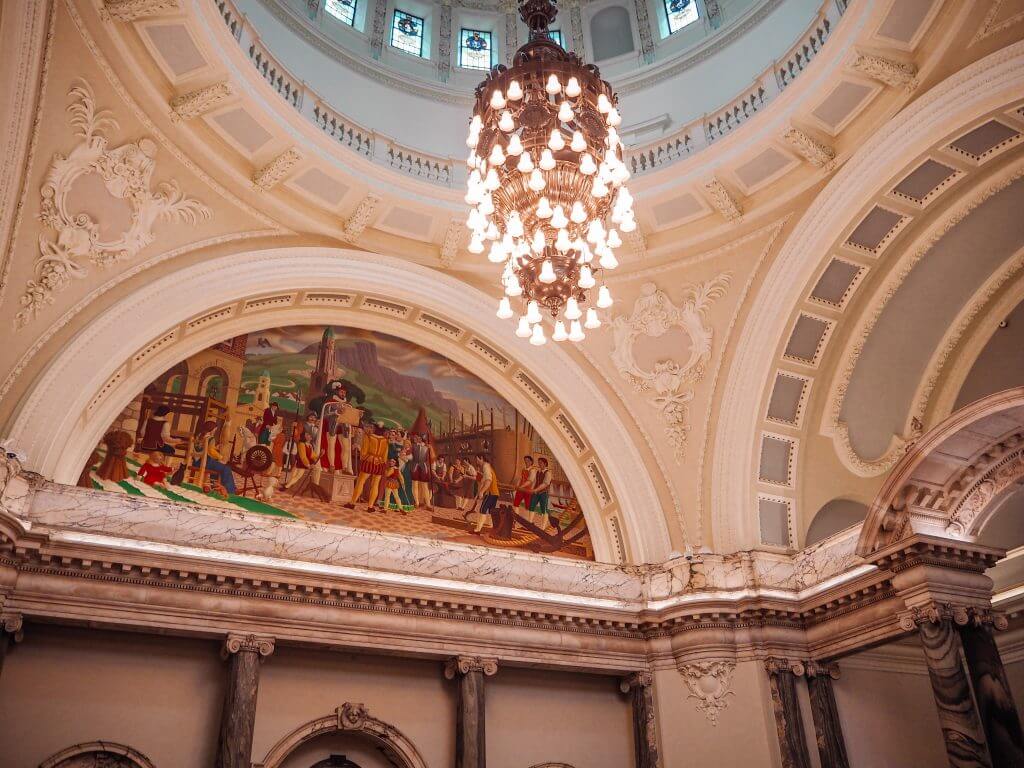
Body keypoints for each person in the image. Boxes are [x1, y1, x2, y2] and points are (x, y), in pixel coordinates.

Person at [345, 423, 388, 508]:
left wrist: (363, 459)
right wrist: (381, 462)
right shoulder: (385, 440)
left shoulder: (368, 437)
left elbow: (364, 451)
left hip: (369, 461)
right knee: (375, 485)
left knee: (360, 482)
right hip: (380, 463)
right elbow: (385, 456)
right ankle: (370, 506)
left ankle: (352, 503)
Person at [193, 421, 237, 495]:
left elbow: (204, 449)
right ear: (211, 429)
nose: (214, 432)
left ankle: (215, 487)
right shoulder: (210, 438)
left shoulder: (198, 436)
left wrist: (214, 448)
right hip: (206, 462)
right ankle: (230, 490)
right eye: (214, 430)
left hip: (196, 462)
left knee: (217, 468)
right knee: (226, 468)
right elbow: (211, 451)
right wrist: (220, 457)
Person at [473, 453, 499, 533]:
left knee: (482, 509)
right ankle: (492, 528)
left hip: (490, 493)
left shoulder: (486, 467)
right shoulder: (487, 466)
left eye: (477, 460)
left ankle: (477, 530)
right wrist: (478, 493)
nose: (477, 462)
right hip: (495, 493)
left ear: (481, 458)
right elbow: (483, 482)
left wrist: (481, 492)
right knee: (491, 511)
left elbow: (488, 481)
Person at [409, 433, 435, 510]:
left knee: (425, 486)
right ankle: (416, 502)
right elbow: (410, 456)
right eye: (417, 438)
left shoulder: (427, 447)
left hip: (424, 467)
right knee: (415, 484)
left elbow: (432, 458)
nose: (417, 439)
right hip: (415, 466)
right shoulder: (413, 446)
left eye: (419, 438)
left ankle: (428, 504)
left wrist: (431, 449)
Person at [529, 457, 553, 531]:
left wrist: (536, 489)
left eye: (541, 462)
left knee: (544, 510)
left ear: (545, 464)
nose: (539, 464)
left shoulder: (548, 473)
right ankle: (529, 524)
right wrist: (532, 489)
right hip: (536, 493)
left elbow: (545, 484)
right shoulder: (538, 472)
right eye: (539, 462)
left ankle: (543, 528)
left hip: (543, 493)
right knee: (531, 507)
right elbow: (535, 482)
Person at [513, 454, 536, 523]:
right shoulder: (523, 469)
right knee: (516, 503)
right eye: (525, 461)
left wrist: (521, 486)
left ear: (531, 462)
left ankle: (529, 522)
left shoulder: (532, 470)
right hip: (521, 489)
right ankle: (515, 520)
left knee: (528, 506)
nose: (526, 462)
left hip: (528, 490)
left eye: (528, 461)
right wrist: (517, 485)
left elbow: (530, 481)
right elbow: (520, 478)